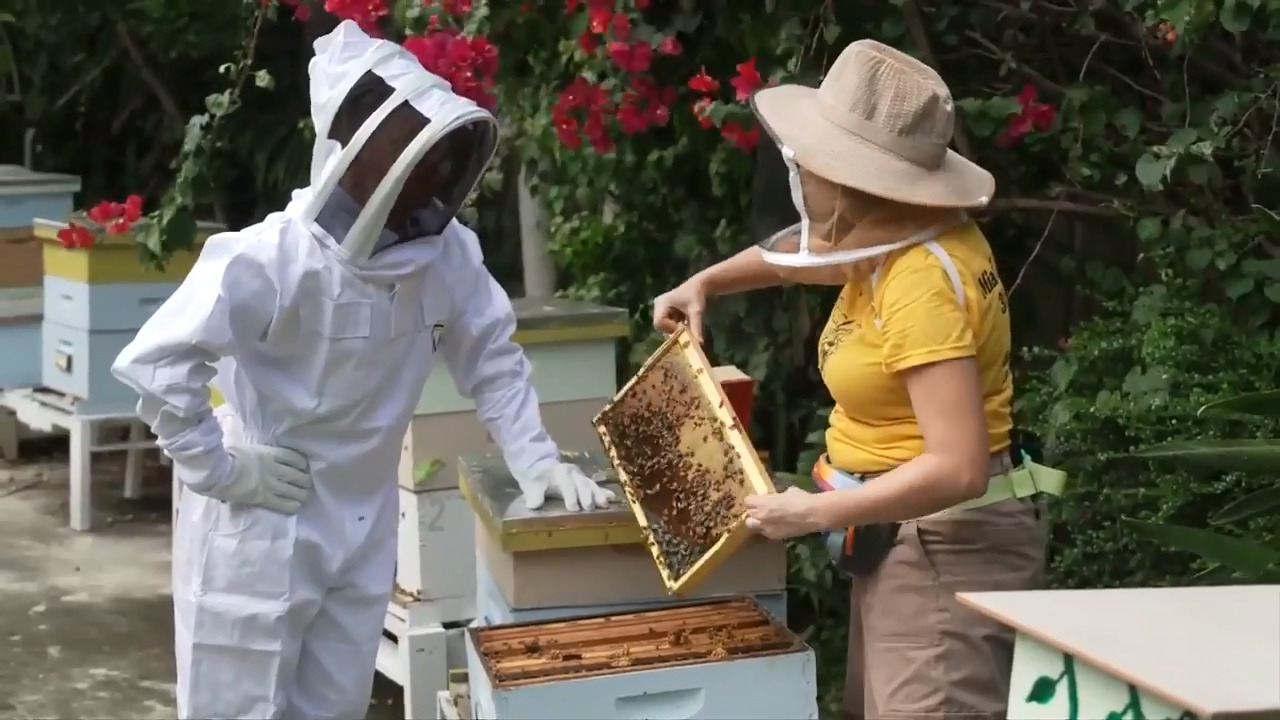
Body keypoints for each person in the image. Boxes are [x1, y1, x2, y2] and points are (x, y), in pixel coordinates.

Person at [112, 21, 614, 719]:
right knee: (239, 707)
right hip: (260, 520)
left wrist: (536, 462)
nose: (427, 176)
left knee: (334, 707)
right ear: (349, 159)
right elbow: (156, 362)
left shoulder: (446, 256)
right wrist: (220, 468)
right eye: (403, 155)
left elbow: (492, 358)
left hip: (361, 520)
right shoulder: (271, 260)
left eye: (434, 158)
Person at [654, 40, 1066, 719]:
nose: (807, 172)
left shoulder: (919, 281)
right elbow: (816, 255)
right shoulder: (898, 237)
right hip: (900, 539)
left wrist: (811, 512)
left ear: (861, 180)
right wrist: (707, 282)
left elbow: (959, 466)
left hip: (941, 547)